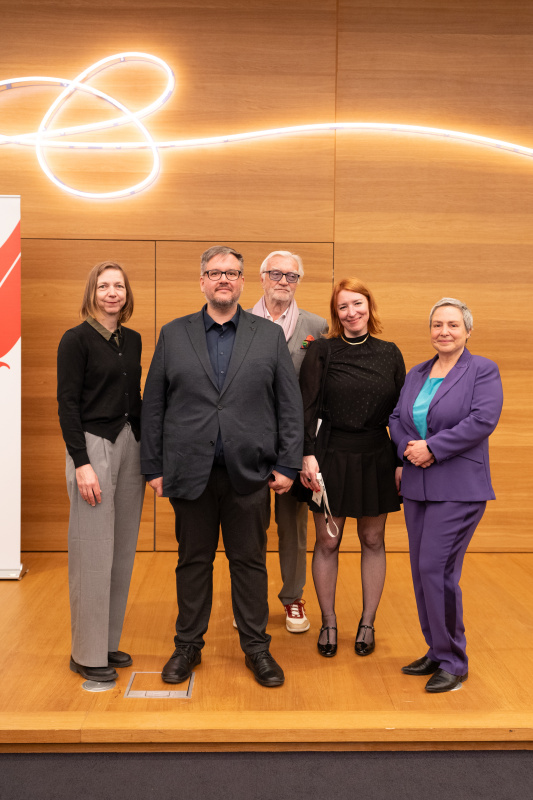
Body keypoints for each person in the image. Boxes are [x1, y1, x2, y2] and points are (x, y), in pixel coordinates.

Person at [141, 246, 303, 688]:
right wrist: (152, 466)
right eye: (214, 273)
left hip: (250, 473)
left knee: (248, 562)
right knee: (192, 561)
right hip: (188, 471)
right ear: (202, 282)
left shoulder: (267, 336)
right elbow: (153, 405)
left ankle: (256, 649)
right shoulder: (173, 334)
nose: (223, 280)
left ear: (243, 282)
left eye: (231, 273)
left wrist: (288, 463)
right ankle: (187, 646)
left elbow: (290, 406)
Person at [389, 297, 503, 693]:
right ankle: (437, 650)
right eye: (437, 324)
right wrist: (407, 446)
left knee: (438, 572)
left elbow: (483, 419)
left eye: (453, 325)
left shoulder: (482, 370)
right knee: (423, 573)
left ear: (467, 331)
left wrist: (432, 448)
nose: (444, 331)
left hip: (458, 487)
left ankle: (455, 661)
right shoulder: (418, 372)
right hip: (419, 487)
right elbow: (396, 417)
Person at [299, 277, 405, 658]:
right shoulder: (322, 350)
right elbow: (305, 408)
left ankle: (367, 622)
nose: (351, 312)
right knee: (328, 541)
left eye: (357, 304)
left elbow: (402, 414)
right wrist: (305, 455)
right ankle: (328, 621)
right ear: (336, 313)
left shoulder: (390, 352)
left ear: (369, 306)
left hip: (377, 454)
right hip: (330, 455)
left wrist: (402, 459)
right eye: (343, 306)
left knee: (373, 540)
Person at [57, 261, 144, 682]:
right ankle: (86, 653)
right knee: (92, 553)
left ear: (127, 294)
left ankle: (107, 642)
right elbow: (67, 404)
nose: (112, 292)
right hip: (93, 447)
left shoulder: (133, 340)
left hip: (131, 446)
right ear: (92, 292)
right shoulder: (75, 340)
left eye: (119, 286)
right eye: (104, 285)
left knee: (122, 550)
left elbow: (137, 398)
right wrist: (81, 464)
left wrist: (152, 456)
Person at [250, 250, 327, 633]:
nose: (283, 281)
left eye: (291, 276)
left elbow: (320, 392)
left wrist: (308, 451)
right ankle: (249, 602)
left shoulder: (317, 326)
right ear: (262, 277)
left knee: (293, 527)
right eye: (276, 274)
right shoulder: (239, 320)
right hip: (247, 443)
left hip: (295, 445)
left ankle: (293, 598)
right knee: (248, 524)